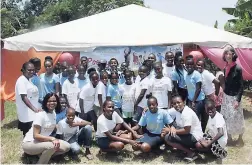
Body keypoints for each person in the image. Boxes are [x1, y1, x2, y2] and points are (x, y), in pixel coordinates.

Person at [22, 93, 70, 164]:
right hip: (30, 143)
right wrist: (52, 139)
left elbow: (53, 126)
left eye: (54, 101)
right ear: (45, 102)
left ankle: (41, 155)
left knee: (67, 146)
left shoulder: (53, 113)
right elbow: (36, 135)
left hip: (42, 142)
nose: (52, 103)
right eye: (49, 101)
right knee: (53, 146)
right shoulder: (40, 115)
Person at [163, 95, 203, 162]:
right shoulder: (176, 110)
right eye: (174, 103)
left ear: (184, 102)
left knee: (168, 137)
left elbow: (187, 130)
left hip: (194, 136)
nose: (177, 105)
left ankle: (190, 152)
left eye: (179, 102)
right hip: (186, 133)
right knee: (170, 126)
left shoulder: (187, 113)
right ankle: (184, 149)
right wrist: (148, 109)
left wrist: (170, 130)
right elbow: (164, 112)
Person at [221, 47, 245, 146]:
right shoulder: (225, 67)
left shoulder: (238, 68)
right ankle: (230, 137)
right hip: (226, 96)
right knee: (226, 117)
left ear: (233, 55)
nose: (228, 56)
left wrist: (237, 100)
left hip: (235, 97)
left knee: (237, 117)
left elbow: (241, 85)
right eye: (226, 54)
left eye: (230, 54)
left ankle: (240, 138)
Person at [15, 62, 41, 136]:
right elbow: (24, 97)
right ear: (23, 70)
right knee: (28, 136)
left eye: (33, 70)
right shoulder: (21, 81)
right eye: (29, 70)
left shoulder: (28, 80)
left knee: (34, 135)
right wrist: (34, 109)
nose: (32, 72)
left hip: (33, 113)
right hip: (27, 114)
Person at [185, 55, 207, 131]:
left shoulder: (196, 74)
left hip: (198, 101)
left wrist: (193, 101)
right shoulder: (186, 75)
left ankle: (200, 134)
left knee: (197, 119)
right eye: (187, 64)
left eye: (191, 64)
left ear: (193, 65)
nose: (189, 66)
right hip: (190, 100)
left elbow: (198, 88)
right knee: (192, 119)